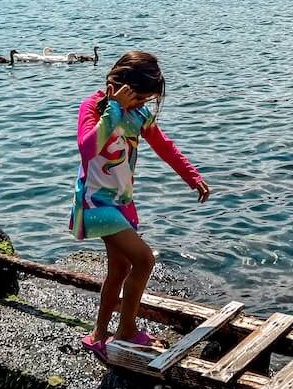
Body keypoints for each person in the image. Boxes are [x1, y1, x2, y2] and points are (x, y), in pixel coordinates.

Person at [72, 51, 210, 358]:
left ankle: (97, 335)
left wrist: (192, 176)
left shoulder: (138, 115)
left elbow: (165, 147)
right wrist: (115, 110)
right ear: (119, 87)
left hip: (122, 204)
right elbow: (87, 148)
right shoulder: (94, 108)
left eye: (146, 101)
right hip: (96, 205)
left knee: (119, 269)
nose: (142, 105)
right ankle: (127, 331)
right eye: (140, 99)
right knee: (144, 260)